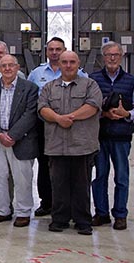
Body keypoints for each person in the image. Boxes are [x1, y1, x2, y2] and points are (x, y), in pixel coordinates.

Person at [38, 51, 102, 235]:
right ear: (59, 63)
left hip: (82, 145)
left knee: (82, 185)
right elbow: (42, 108)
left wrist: (69, 117)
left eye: (72, 62)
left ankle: (83, 221)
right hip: (57, 146)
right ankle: (59, 220)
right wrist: (58, 118)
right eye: (64, 62)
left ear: (78, 64)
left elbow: (92, 106)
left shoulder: (90, 85)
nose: (68, 65)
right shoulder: (49, 87)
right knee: (58, 185)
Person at [27, 37, 87, 217]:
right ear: (46, 51)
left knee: (72, 168)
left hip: (73, 125)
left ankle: (70, 206)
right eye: (51, 49)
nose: (54, 52)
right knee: (45, 165)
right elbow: (31, 100)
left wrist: (68, 118)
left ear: (64, 50)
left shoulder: (82, 76)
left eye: (58, 49)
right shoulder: (36, 74)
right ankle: (46, 202)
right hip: (44, 125)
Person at [0, 55, 39, 227]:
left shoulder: (30, 88)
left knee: (22, 178)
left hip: (20, 141)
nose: (7, 68)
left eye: (10, 65)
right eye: (3, 66)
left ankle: (23, 212)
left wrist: (13, 135)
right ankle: (2, 210)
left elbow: (30, 114)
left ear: (17, 68)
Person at [89, 41, 134, 231]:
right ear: (103, 57)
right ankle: (101, 213)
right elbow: (88, 105)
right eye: (109, 55)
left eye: (116, 54)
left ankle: (120, 214)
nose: (112, 58)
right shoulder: (93, 79)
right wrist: (104, 114)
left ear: (122, 56)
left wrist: (127, 114)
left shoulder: (131, 80)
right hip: (99, 135)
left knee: (122, 177)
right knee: (99, 176)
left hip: (122, 136)